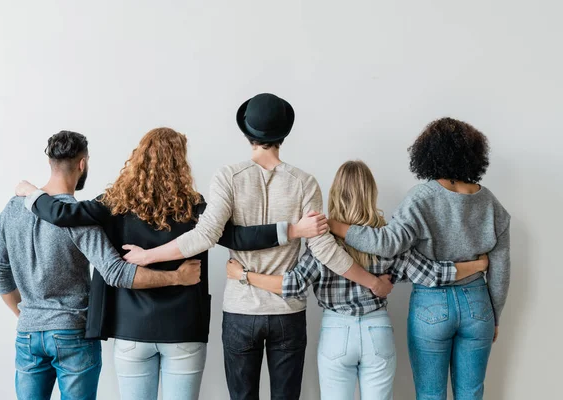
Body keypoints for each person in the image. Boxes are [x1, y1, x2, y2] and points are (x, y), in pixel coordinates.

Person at [15, 127, 323, 400]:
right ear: (181, 163)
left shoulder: (114, 202)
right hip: (184, 330)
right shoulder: (195, 205)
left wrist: (31, 193)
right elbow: (238, 238)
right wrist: (293, 230)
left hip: (131, 330)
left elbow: (63, 215)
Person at [121, 94, 395, 400]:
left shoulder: (229, 177)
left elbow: (204, 235)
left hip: (241, 311)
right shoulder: (304, 182)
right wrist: (372, 282)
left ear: (247, 134)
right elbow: (325, 250)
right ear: (283, 136)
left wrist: (148, 255)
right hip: (287, 313)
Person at [225, 160, 489, 400]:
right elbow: (433, 274)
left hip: (336, 332)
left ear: (334, 193)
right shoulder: (388, 238)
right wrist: (478, 264)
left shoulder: (323, 240)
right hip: (378, 331)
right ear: (371, 193)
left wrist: (243, 275)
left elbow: (292, 285)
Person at [0, 130, 200, 400]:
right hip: (72, 333)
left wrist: (25, 314)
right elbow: (116, 272)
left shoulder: (13, 208)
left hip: (28, 334)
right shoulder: (79, 218)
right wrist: (177, 277)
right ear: (82, 164)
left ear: (50, 163)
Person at [329, 118, 511, 400]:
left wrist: (338, 227)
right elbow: (501, 270)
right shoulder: (490, 203)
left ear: (429, 154)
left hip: (432, 304)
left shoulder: (422, 197)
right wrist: (495, 317)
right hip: (478, 305)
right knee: (472, 393)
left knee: (429, 394)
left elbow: (387, 244)